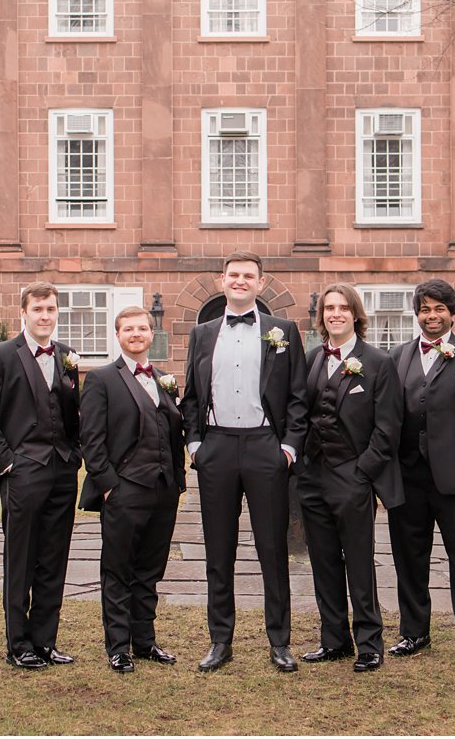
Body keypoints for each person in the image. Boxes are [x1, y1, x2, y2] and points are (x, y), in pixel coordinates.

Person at [179, 251, 308, 673]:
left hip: (264, 446)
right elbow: (192, 396)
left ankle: (279, 641)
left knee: (272, 548)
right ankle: (220, 640)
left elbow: (297, 396)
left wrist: (287, 448)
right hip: (215, 446)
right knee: (219, 549)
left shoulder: (283, 330)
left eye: (247, 276)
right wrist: (195, 444)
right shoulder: (202, 333)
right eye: (233, 275)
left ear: (260, 282)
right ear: (222, 281)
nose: (239, 281)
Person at [386, 278, 455, 670]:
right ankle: (414, 632)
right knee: (409, 558)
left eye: (438, 309)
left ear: (452, 312)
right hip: (408, 477)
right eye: (424, 309)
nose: (431, 316)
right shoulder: (398, 356)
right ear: (416, 314)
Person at [0, 282, 82, 670]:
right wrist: (7, 463)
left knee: (54, 557)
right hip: (22, 472)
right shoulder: (0, 356)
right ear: (24, 312)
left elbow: (71, 413)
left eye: (51, 309)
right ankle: (18, 644)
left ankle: (45, 641)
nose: (45, 316)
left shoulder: (67, 356)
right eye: (38, 309)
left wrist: (75, 455)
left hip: (62, 470)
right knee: (21, 560)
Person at [297, 283, 403, 673]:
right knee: (322, 560)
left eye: (343, 308)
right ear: (321, 315)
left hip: (353, 475)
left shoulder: (377, 362)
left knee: (359, 561)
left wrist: (363, 472)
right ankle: (334, 640)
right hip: (312, 475)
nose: (335, 314)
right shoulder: (309, 360)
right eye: (328, 308)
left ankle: (370, 642)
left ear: (355, 314)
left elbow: (388, 426)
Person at [78, 305, 186, 673]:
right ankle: (118, 646)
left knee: (150, 570)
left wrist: (177, 481)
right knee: (118, 569)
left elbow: (173, 434)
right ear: (118, 335)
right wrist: (108, 485)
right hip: (124, 490)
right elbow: (91, 438)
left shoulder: (163, 379)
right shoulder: (102, 379)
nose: (136, 334)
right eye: (129, 329)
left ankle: (145, 641)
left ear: (150, 334)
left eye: (142, 328)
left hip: (163, 490)